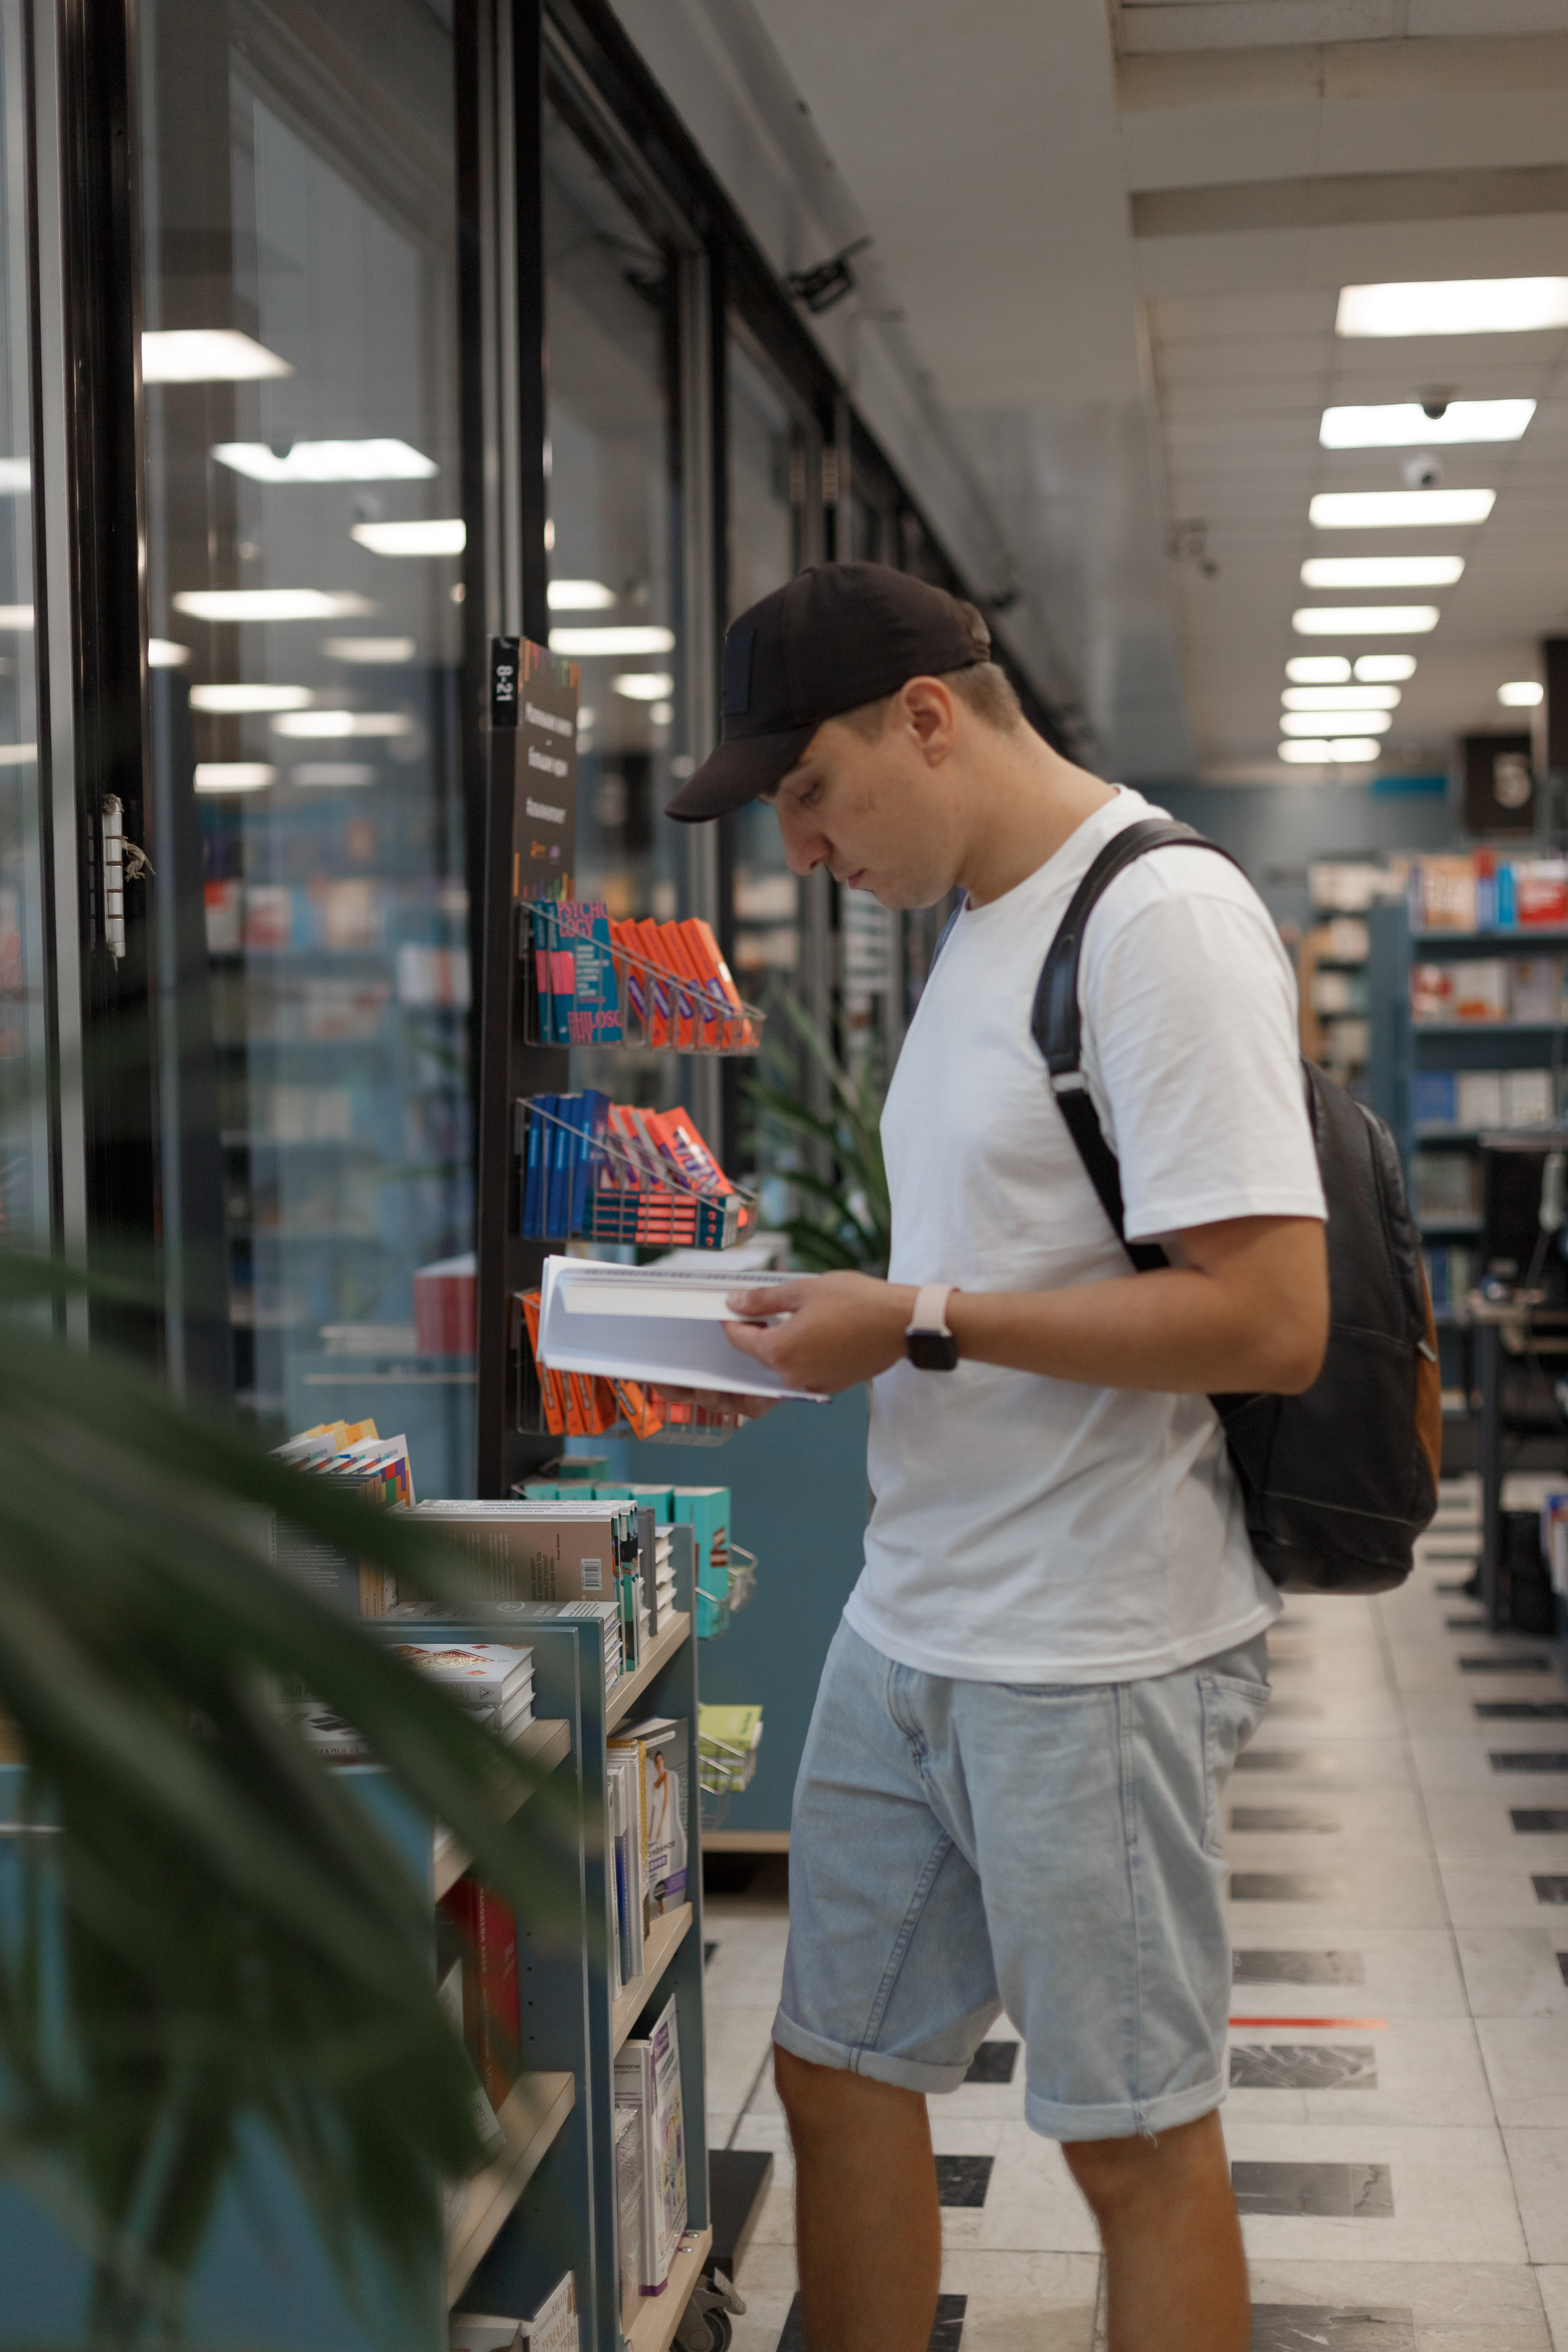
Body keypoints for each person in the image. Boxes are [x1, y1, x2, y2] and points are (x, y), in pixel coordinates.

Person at [665, 562, 1329, 2352]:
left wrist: (921, 1318)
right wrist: (824, 1342)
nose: (802, 845)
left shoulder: (1159, 918)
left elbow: (1271, 1318)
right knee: (832, 2071)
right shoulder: (974, 927)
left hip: (1092, 1644)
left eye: (810, 788)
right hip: (915, 1619)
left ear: (930, 720)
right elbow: (991, 1270)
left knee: (1132, 2145)